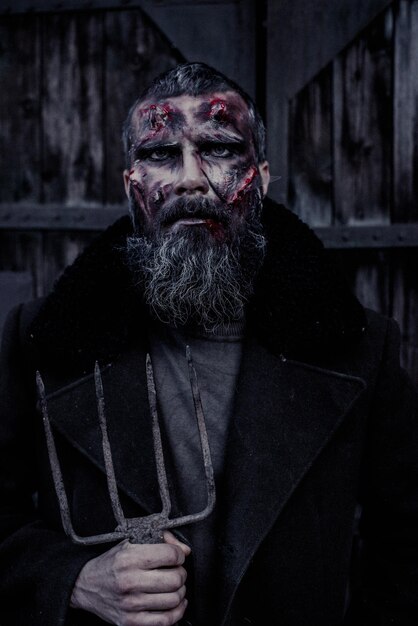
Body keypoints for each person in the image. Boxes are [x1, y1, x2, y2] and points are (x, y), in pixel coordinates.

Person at [0, 62, 418, 626]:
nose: (191, 178)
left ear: (263, 179)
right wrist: (71, 579)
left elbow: (404, 550)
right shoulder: (42, 344)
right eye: (159, 155)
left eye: (219, 149)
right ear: (131, 187)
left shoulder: (358, 349)